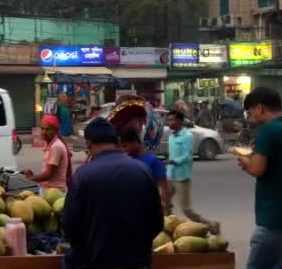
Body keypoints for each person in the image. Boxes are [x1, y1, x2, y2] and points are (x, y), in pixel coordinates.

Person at [63, 118, 163, 269]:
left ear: (89, 144)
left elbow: (69, 227)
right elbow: (156, 223)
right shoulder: (143, 171)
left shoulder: (83, 175)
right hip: (137, 263)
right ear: (117, 141)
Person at [237, 87, 282, 269]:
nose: (250, 116)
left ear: (260, 108)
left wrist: (245, 160)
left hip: (273, 221)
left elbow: (257, 169)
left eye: (250, 111)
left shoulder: (267, 131)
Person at [166, 110, 220, 234]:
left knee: (187, 210)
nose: (169, 123)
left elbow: (187, 156)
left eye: (172, 120)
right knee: (164, 204)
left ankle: (211, 226)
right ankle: (168, 229)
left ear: (180, 121)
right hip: (170, 175)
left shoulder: (187, 136)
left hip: (182, 177)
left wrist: (173, 161)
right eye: (168, 120)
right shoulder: (171, 136)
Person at [120, 128, 171, 215]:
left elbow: (164, 187)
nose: (123, 150)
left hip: (147, 209)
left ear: (135, 143)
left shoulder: (153, 161)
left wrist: (164, 207)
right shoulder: (124, 159)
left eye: (125, 146)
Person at [21, 115, 71, 194]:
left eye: (48, 129)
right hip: (47, 189)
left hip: (55, 191)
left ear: (55, 130)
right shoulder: (49, 143)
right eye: (42, 129)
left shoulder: (56, 147)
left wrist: (31, 177)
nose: (44, 132)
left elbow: (48, 175)